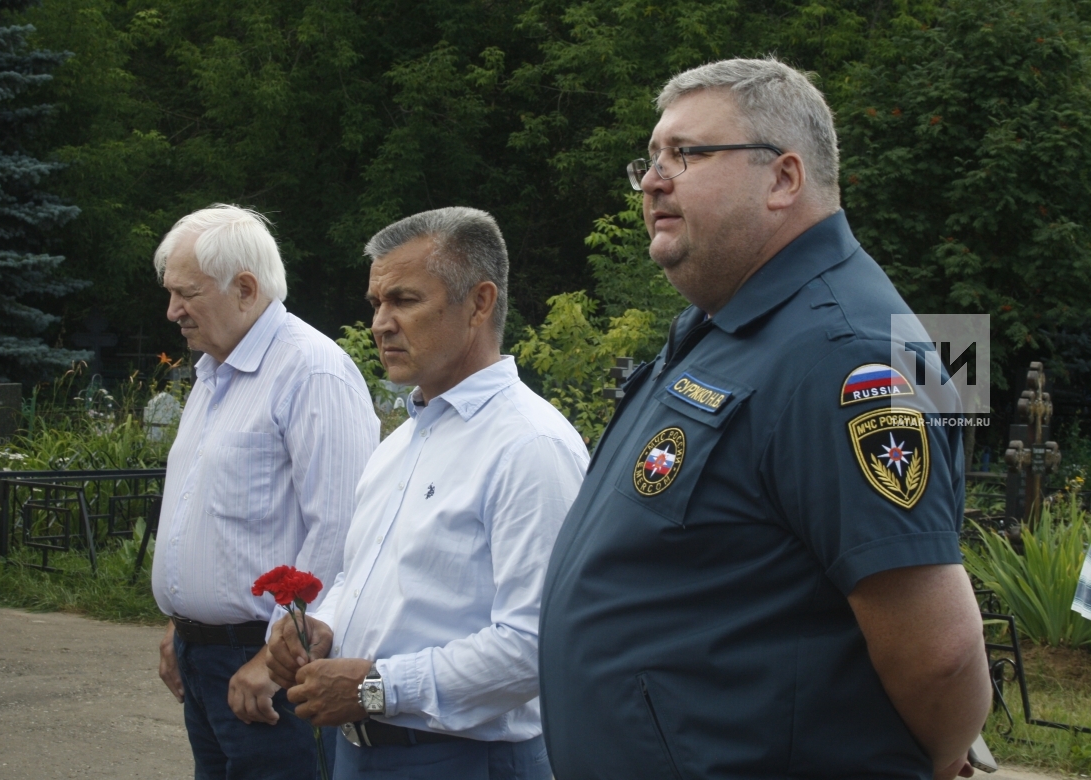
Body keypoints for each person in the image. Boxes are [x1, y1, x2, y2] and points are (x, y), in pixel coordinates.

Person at [539, 58, 992, 780]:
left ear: (783, 179)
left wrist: (937, 758)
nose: (654, 179)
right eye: (650, 159)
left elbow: (938, 654)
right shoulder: (733, 326)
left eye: (686, 155)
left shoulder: (843, 355)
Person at [265, 206, 589, 780]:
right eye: (376, 304)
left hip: (463, 757)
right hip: (365, 749)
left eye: (404, 300)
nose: (380, 323)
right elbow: (360, 576)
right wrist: (325, 626)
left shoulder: (529, 446)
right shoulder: (402, 442)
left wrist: (373, 688)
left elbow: (536, 645)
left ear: (479, 303)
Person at [151, 204, 379, 780]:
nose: (172, 310)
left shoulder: (312, 371)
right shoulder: (214, 372)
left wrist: (273, 661)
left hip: (270, 665)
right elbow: (208, 515)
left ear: (245, 288)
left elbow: (341, 530)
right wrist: (183, 623)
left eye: (186, 294)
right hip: (207, 658)